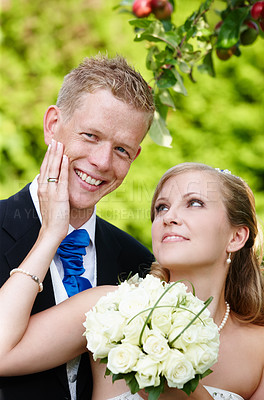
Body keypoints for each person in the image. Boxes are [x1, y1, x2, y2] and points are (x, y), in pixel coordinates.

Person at [0, 152, 264, 400]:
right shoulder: (112, 309)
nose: (169, 217)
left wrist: (179, 385)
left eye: (194, 203)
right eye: (161, 207)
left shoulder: (259, 348)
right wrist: (51, 235)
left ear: (236, 236)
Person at [0, 54, 156, 400]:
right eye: (90, 135)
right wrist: (51, 235)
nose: (102, 162)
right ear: (52, 124)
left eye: (121, 149)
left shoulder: (140, 265)